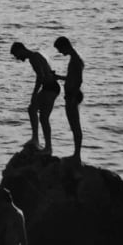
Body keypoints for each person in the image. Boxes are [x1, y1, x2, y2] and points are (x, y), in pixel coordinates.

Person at [10, 41, 60, 155]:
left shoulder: (34, 58)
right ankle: (41, 143)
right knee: (38, 114)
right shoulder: (36, 55)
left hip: (50, 88)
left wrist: (34, 94)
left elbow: (41, 76)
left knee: (37, 112)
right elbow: (47, 73)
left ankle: (40, 143)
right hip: (51, 87)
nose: (17, 58)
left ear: (20, 50)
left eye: (16, 55)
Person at [54, 35, 84, 163]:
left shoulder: (76, 60)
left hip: (72, 96)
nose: (59, 52)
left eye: (60, 49)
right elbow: (72, 78)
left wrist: (73, 95)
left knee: (75, 126)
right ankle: (76, 154)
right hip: (71, 95)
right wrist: (59, 77)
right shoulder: (74, 59)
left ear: (65, 46)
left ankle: (77, 155)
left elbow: (78, 80)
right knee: (74, 126)